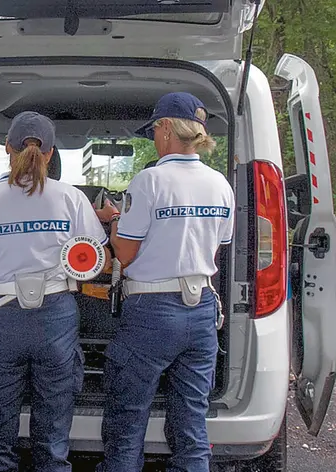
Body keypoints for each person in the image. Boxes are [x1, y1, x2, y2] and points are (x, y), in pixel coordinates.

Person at [0, 111, 110, 472]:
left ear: (6, 147)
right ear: (51, 153)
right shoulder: (70, 199)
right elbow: (98, 262)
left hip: (3, 317)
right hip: (55, 317)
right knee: (53, 429)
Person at [94, 92, 235, 472]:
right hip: (201, 309)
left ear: (167, 128)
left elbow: (124, 254)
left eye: (155, 129)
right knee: (190, 423)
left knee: (127, 422)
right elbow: (215, 249)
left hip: (151, 313)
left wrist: (114, 220)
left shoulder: (150, 181)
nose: (154, 138)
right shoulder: (221, 184)